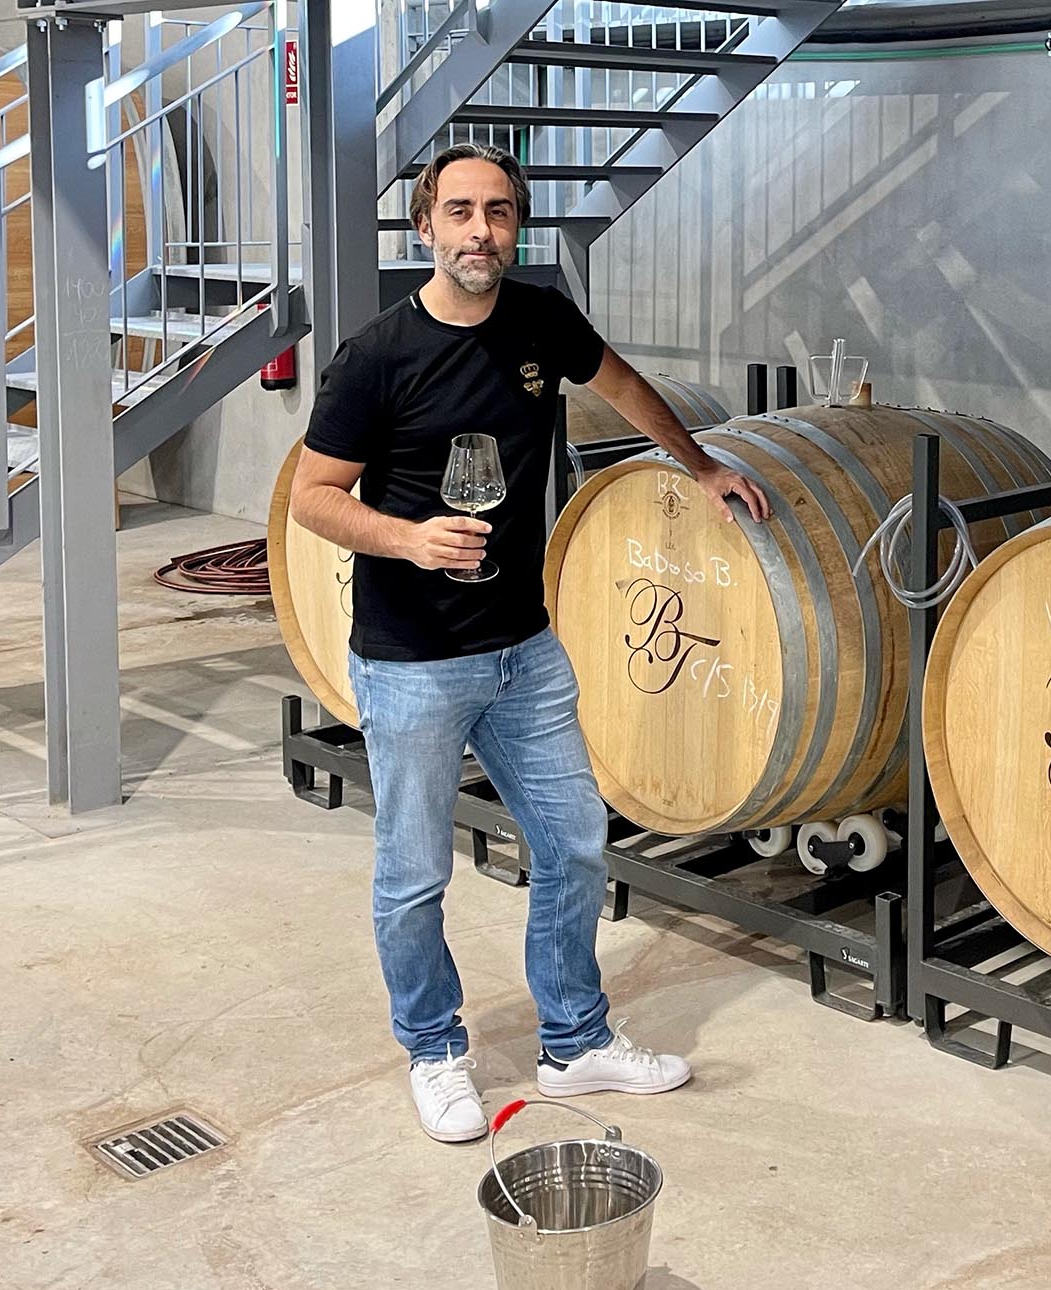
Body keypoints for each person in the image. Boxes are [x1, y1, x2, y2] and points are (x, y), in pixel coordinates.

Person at [291, 143, 769, 1143]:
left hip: (523, 649)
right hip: (413, 659)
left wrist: (703, 466)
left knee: (575, 846)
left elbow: (629, 389)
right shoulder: (377, 356)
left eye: (498, 212)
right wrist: (411, 539)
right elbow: (315, 498)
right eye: (460, 212)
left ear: (517, 225)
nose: (480, 231)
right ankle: (433, 1050)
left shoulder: (542, 317)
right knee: (415, 873)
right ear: (425, 226)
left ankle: (574, 1040)